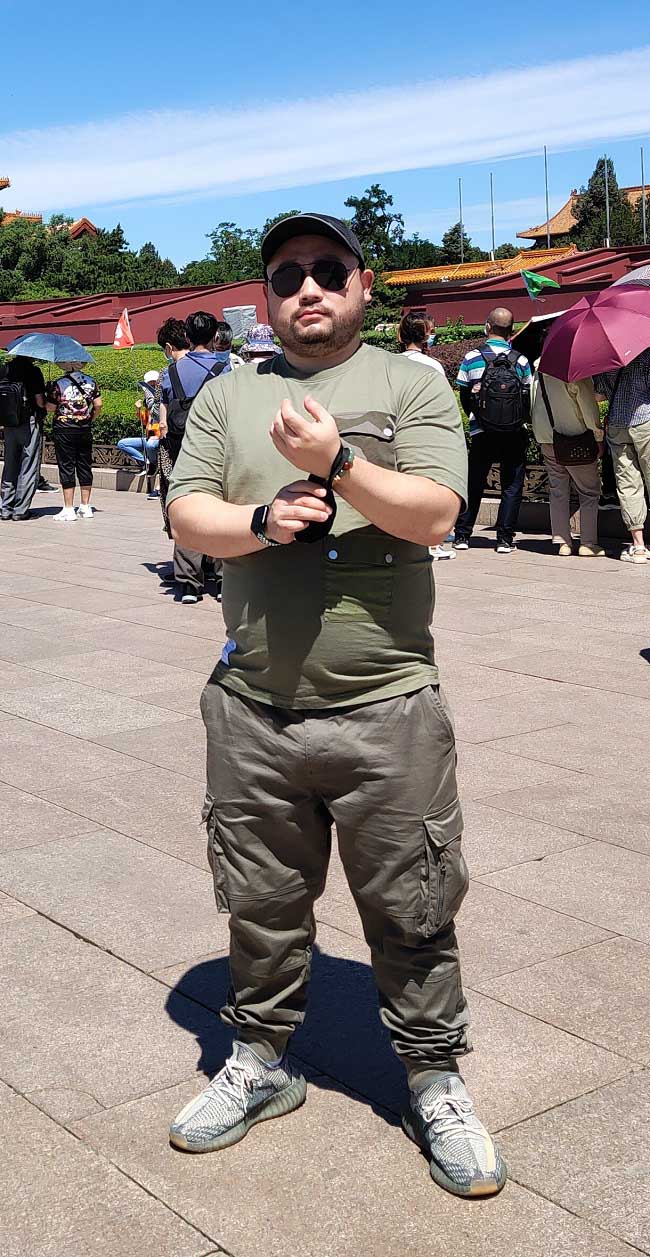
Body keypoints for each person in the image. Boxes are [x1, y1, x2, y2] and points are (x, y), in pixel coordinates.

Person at [166, 212, 505, 1199]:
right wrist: (262, 519)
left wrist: (337, 464)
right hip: (252, 709)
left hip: (387, 708)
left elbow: (436, 513)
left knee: (413, 907)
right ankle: (261, 1059)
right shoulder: (229, 394)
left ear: (362, 285)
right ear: (266, 298)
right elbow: (186, 513)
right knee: (260, 905)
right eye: (286, 276)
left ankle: (433, 1078)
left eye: (325, 270)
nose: (305, 288)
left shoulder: (411, 383)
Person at [158, 313, 229, 603]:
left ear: (187, 337)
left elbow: (163, 413)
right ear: (215, 337)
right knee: (221, 507)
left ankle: (188, 583)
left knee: (187, 507)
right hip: (217, 445)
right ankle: (223, 579)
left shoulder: (171, 371)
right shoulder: (224, 368)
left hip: (182, 447)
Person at [454, 308, 532, 554]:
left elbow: (464, 394)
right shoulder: (521, 360)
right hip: (513, 431)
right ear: (511, 330)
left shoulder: (472, 357)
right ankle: (505, 539)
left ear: (488, 326)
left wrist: (477, 415)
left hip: (482, 430)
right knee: (511, 484)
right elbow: (527, 398)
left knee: (474, 482)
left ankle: (462, 534)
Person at [531, 366, 605, 557]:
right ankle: (588, 543)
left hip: (547, 437)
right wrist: (598, 435)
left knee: (558, 490)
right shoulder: (576, 368)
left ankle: (562, 541)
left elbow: (533, 401)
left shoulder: (539, 368)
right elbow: (587, 406)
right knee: (588, 491)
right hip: (576, 437)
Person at [595, 349, 650, 562]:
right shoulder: (645, 355)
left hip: (617, 424)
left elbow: (599, 395)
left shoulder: (606, 359)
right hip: (645, 420)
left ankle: (638, 546)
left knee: (628, 484)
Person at [46, 362, 101, 521]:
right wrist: (90, 418)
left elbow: (50, 407)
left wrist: (48, 393)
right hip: (84, 428)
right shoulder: (91, 382)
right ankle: (85, 506)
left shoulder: (59, 384)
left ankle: (69, 508)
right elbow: (98, 404)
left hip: (64, 428)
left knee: (67, 466)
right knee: (85, 465)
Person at [0, 354, 46, 520]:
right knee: (29, 465)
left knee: (10, 464)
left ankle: (5, 508)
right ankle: (20, 510)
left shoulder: (4, 369)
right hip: (29, 422)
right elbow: (40, 402)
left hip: (9, 423)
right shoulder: (33, 371)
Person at [117, 369, 160, 498]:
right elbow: (145, 421)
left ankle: (153, 465)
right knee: (123, 444)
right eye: (149, 384)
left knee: (151, 445)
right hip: (148, 436)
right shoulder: (148, 401)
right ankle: (146, 462)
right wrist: (139, 409)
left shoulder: (162, 399)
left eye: (154, 383)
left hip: (158, 437)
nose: (152, 386)